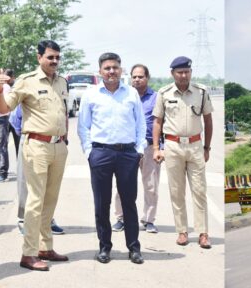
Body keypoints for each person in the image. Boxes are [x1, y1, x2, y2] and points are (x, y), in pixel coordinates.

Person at [0, 40, 70, 271]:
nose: (54, 61)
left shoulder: (62, 82)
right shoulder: (27, 81)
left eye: (57, 57)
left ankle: (45, 247)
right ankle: (28, 253)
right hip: (37, 146)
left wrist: (65, 140)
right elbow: (5, 108)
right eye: (50, 57)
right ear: (39, 58)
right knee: (35, 201)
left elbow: (64, 113)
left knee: (50, 199)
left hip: (58, 146)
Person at [78, 52, 145, 264]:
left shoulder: (131, 93)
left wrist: (139, 150)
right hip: (101, 154)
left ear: (121, 69)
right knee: (102, 204)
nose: (111, 71)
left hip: (127, 154)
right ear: (100, 71)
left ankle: (134, 248)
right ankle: (104, 247)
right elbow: (83, 126)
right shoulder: (91, 94)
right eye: (107, 68)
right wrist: (90, 153)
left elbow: (141, 124)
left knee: (129, 203)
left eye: (115, 67)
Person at [152, 56, 213, 249]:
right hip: (172, 146)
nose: (184, 75)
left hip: (195, 146)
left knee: (199, 190)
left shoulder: (201, 92)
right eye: (180, 72)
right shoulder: (164, 93)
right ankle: (182, 232)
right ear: (173, 74)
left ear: (191, 72)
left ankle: (203, 233)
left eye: (187, 71)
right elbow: (157, 122)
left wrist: (207, 148)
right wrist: (156, 148)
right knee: (176, 192)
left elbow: (208, 121)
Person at [112, 64, 162, 234]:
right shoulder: (124, 96)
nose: (137, 79)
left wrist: (159, 148)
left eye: (140, 76)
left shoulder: (156, 98)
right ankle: (121, 218)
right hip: (127, 148)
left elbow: (161, 123)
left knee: (151, 185)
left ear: (147, 78)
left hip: (149, 147)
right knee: (123, 185)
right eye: (134, 76)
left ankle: (148, 220)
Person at [9, 103, 65, 236]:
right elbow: (15, 118)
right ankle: (23, 219)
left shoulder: (58, 86)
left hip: (53, 143)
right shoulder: (27, 86)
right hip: (31, 140)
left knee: (49, 185)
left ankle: (47, 221)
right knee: (25, 182)